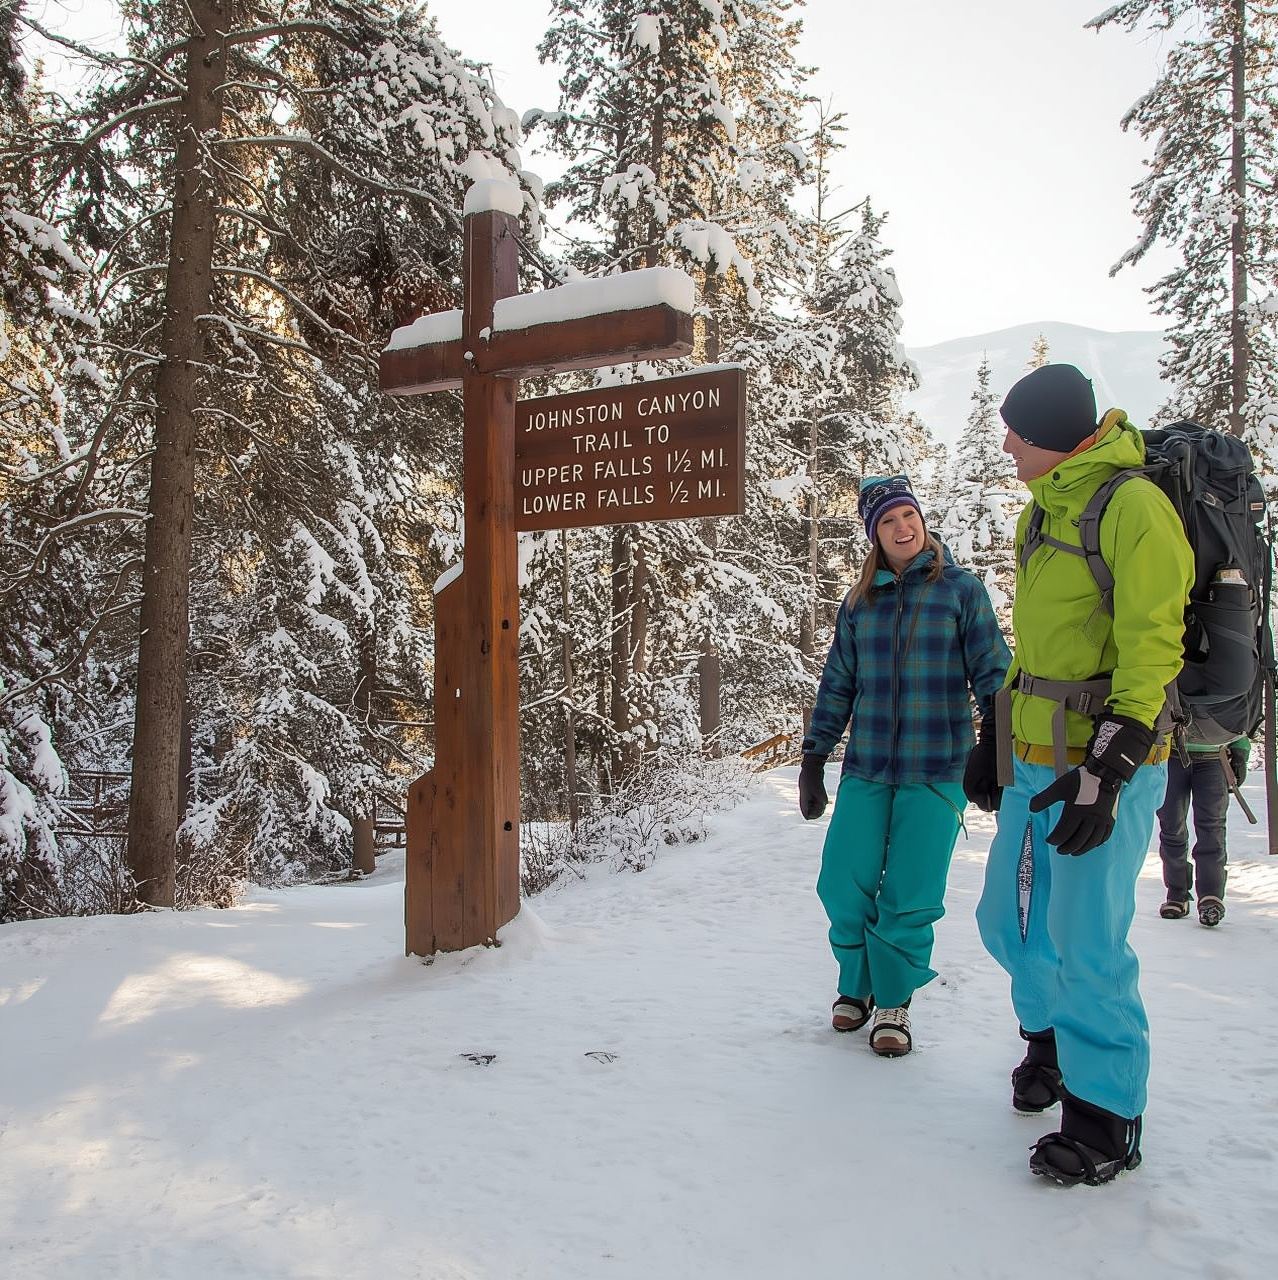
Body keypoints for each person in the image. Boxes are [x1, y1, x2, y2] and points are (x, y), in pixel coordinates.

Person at [965, 363, 1193, 1187]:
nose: (1005, 443)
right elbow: (1035, 650)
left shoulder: (1134, 508)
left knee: (1090, 941)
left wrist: (1115, 761)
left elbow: (1152, 646)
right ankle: (1051, 1045)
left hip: (1103, 767)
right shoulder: (1042, 511)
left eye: (1015, 431)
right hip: (1032, 761)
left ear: (1052, 434)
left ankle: (1106, 1118)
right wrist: (991, 731)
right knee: (1014, 922)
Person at [799, 474, 1010, 1058]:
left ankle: (893, 1000)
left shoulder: (960, 591)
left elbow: (994, 671)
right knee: (842, 880)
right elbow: (837, 683)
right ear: (874, 533)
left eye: (908, 515)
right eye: (888, 520)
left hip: (937, 765)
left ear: (922, 519)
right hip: (867, 766)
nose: (903, 527)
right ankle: (856, 983)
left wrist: (993, 742)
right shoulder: (859, 602)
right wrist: (814, 756)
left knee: (912, 890)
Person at [1157, 736, 1249, 927]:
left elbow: (1242, 709)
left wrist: (1240, 750)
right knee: (1172, 826)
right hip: (1170, 754)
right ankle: (1176, 894)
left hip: (1215, 756)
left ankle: (1211, 897)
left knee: (1212, 828)